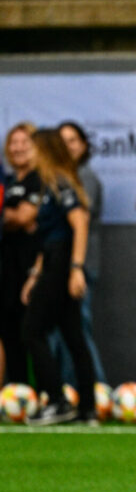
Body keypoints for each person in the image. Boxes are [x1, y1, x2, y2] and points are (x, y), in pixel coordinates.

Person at [20, 130, 96, 425]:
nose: (30, 154)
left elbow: (80, 223)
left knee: (32, 330)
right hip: (52, 260)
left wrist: (76, 269)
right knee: (73, 335)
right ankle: (87, 408)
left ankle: (56, 400)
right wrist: (35, 274)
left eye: (34, 149)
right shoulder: (47, 185)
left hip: (63, 261)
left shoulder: (61, 183)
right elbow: (47, 236)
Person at [53, 121, 108, 389]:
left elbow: (79, 220)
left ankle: (95, 391)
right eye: (62, 141)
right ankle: (69, 392)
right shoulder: (56, 177)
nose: (68, 146)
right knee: (62, 333)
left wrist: (76, 267)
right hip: (61, 265)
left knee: (78, 331)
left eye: (73, 140)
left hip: (80, 266)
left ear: (84, 146)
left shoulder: (84, 176)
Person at [1, 122, 40, 386]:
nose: (18, 147)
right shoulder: (8, 181)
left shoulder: (41, 179)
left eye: (24, 142)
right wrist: (14, 217)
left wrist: (11, 216)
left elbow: (27, 217)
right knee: (9, 331)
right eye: (13, 142)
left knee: (35, 333)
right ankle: (18, 393)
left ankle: (55, 394)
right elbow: (18, 219)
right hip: (7, 268)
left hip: (34, 266)